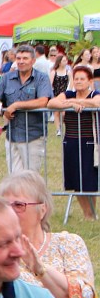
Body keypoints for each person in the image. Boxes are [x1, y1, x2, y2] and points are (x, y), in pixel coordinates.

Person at [0, 170, 97, 298]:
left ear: (42, 210)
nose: (10, 212)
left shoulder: (69, 243)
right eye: (5, 206)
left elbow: (82, 297)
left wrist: (40, 270)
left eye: (19, 205)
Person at [0, 44, 53, 174]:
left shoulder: (42, 78)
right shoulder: (7, 78)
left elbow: (43, 101)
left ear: (33, 61)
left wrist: (17, 105)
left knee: (31, 178)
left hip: (33, 135)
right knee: (14, 178)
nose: (21, 61)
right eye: (18, 58)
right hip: (12, 135)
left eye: (25, 58)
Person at [48, 64, 100, 220]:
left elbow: (97, 103)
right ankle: (87, 214)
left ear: (90, 81)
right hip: (70, 141)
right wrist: (71, 103)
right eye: (76, 79)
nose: (78, 81)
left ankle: (92, 212)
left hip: (89, 143)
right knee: (75, 179)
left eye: (82, 79)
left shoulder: (94, 94)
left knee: (89, 180)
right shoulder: (68, 94)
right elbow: (51, 103)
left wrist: (81, 103)